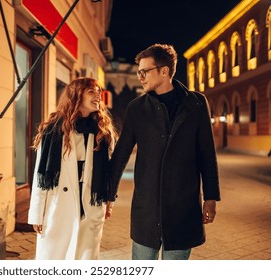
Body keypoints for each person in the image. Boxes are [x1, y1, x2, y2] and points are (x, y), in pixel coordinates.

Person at [109, 44, 221, 260]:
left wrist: (211, 197)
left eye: (145, 71)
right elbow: (122, 153)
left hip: (183, 207)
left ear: (164, 71)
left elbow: (206, 153)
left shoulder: (197, 103)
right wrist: (108, 195)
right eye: (138, 72)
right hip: (146, 207)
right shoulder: (137, 108)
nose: (140, 77)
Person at [28, 77, 117, 260]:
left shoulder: (102, 132)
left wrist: (108, 201)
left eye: (99, 92)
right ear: (77, 96)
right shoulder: (53, 130)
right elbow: (41, 175)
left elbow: (108, 172)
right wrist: (37, 214)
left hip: (90, 206)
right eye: (91, 92)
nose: (98, 96)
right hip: (59, 206)